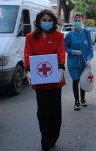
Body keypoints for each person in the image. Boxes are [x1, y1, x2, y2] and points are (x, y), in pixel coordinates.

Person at [24, 9, 66, 150]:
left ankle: (53, 136)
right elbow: (27, 54)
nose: (47, 22)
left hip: (55, 79)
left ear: (53, 22)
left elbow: (60, 52)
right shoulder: (30, 37)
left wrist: (60, 68)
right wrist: (28, 70)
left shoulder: (59, 36)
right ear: (38, 21)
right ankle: (45, 140)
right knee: (42, 111)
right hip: (39, 80)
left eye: (49, 20)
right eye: (44, 20)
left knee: (54, 111)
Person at [64, 14, 93, 111]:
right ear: (73, 22)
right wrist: (72, 51)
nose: (77, 22)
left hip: (84, 63)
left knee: (83, 80)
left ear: (82, 21)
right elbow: (64, 47)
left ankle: (83, 99)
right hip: (73, 63)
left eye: (79, 20)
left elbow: (90, 48)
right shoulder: (69, 35)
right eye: (75, 20)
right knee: (76, 80)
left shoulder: (86, 33)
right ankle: (77, 101)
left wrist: (88, 59)